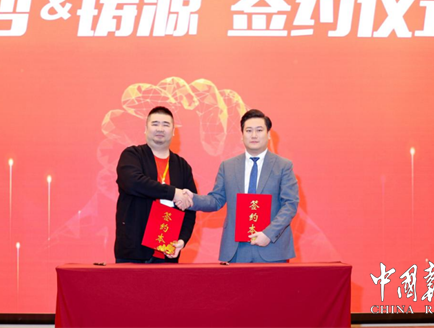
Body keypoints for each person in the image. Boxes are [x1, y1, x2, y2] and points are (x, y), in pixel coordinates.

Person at [183, 109, 299, 263]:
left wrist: (269, 234)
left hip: (271, 248)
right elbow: (216, 200)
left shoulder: (283, 166)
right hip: (236, 250)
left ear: (269, 134)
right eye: (248, 130)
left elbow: (290, 204)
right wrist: (192, 199)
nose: (254, 135)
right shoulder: (228, 166)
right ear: (242, 135)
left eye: (259, 130)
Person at [115, 106, 196, 263]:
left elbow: (190, 206)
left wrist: (182, 239)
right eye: (155, 124)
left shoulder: (182, 166)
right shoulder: (132, 155)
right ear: (146, 129)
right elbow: (133, 182)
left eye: (166, 124)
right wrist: (173, 193)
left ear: (173, 131)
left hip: (168, 251)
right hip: (133, 250)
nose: (160, 129)